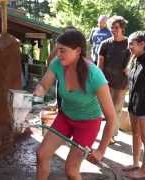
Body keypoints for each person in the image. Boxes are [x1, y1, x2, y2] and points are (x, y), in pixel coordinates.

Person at [34, 30, 115, 180]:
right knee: (41, 154)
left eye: (62, 50)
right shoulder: (57, 64)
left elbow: (111, 118)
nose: (58, 54)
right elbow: (43, 85)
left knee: (71, 170)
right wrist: (38, 92)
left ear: (78, 51)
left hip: (88, 124)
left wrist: (101, 150)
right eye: (57, 50)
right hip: (65, 117)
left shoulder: (95, 75)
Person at [98, 15, 130, 143]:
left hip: (122, 84)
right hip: (105, 83)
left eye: (116, 27)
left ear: (122, 28)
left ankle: (110, 135)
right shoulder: (105, 44)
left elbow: (135, 61)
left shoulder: (129, 43)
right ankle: (108, 133)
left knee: (116, 110)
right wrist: (99, 80)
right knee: (105, 110)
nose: (113, 30)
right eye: (112, 27)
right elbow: (99, 64)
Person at [123, 31, 145, 178]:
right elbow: (128, 75)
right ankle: (135, 163)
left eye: (132, 44)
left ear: (142, 44)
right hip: (133, 103)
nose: (129, 46)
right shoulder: (135, 58)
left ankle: (144, 171)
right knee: (135, 134)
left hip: (144, 107)